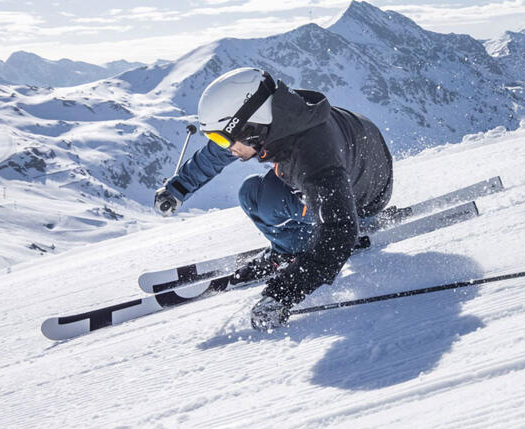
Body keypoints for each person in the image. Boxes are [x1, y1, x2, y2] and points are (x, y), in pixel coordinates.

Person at [154, 68, 393, 330]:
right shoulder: (282, 115)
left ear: (250, 126)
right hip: (363, 165)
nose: (225, 147)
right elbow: (217, 154)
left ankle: (292, 250)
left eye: (221, 137)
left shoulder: (313, 158)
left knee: (255, 197)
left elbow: (340, 233)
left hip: (363, 200)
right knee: (263, 190)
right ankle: (312, 232)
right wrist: (178, 188)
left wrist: (282, 294)